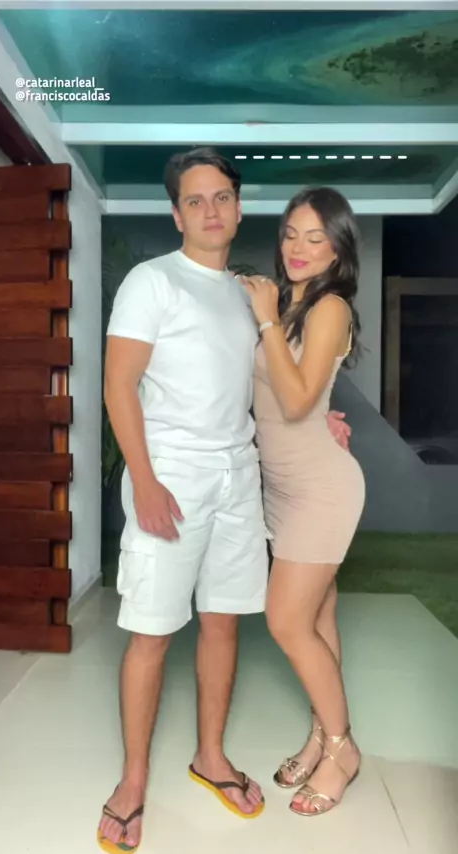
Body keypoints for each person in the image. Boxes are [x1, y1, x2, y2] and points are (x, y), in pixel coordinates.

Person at [97, 148, 351, 853]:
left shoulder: (252, 294)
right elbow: (119, 385)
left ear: (238, 208)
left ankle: (210, 757)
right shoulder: (152, 282)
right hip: (170, 479)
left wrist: (322, 416)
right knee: (151, 631)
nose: (210, 210)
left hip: (240, 478)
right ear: (177, 214)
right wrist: (143, 479)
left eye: (222, 197)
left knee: (222, 623)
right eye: (195, 199)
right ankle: (132, 782)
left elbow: (271, 382)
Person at [242, 187, 366, 817]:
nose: (298, 247)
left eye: (316, 238)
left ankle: (342, 749)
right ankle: (319, 736)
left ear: (338, 249)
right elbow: (276, 397)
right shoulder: (284, 303)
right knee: (317, 619)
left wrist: (265, 319)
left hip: (320, 487)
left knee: (286, 622)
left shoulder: (329, 307)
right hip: (281, 486)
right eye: (291, 233)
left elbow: (294, 401)